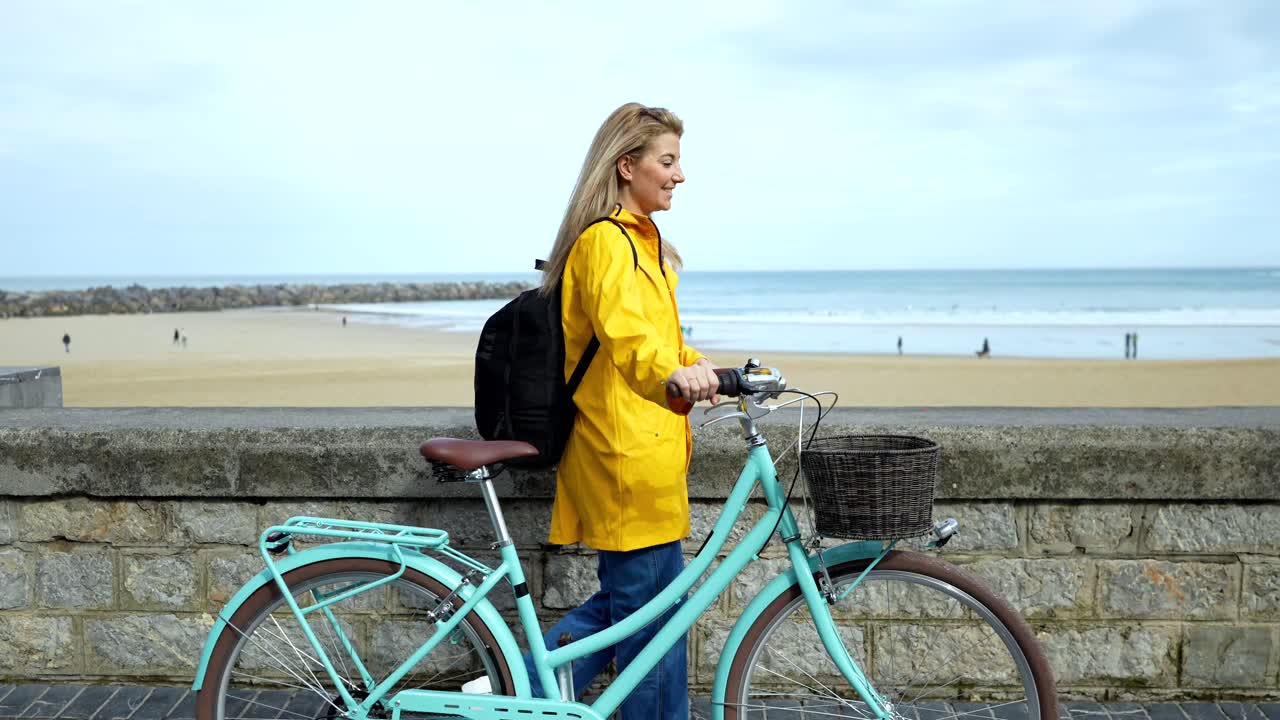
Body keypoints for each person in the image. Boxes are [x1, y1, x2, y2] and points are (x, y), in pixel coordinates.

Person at [470, 104, 716, 717]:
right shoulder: (606, 243)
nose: (680, 174)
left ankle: (518, 691)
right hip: (621, 458)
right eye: (668, 160)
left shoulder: (650, 247)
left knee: (649, 614)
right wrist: (672, 375)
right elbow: (630, 343)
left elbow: (662, 340)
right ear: (627, 166)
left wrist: (710, 369)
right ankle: (520, 692)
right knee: (641, 624)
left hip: (654, 460)